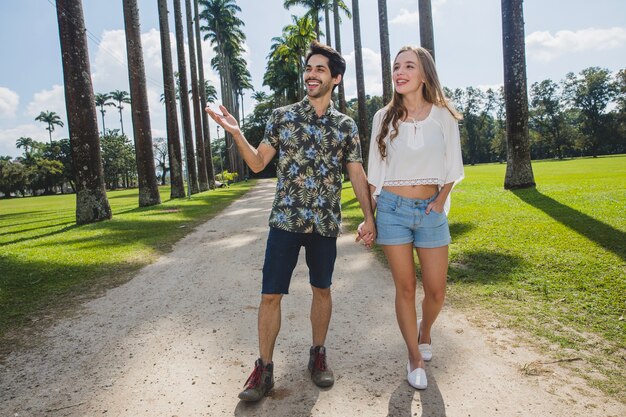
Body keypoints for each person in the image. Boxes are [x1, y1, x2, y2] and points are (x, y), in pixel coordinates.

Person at [206, 41, 376, 402]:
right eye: (309, 69)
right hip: (285, 220)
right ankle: (263, 370)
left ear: (336, 79)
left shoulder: (345, 127)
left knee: (322, 290)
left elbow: (357, 173)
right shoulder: (282, 116)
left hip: (325, 225)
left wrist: (369, 216)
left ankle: (317, 355)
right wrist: (237, 132)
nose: (311, 75)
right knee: (270, 295)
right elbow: (256, 163)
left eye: (320, 70)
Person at [366, 46, 464, 390]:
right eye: (396, 67)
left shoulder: (443, 115)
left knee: (436, 292)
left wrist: (441, 200)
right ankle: (414, 356)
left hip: (431, 210)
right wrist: (371, 218)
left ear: (424, 74)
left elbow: (454, 165)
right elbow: (374, 174)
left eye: (409, 66)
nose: (400, 72)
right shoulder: (383, 117)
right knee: (405, 288)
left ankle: (425, 332)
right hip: (392, 209)